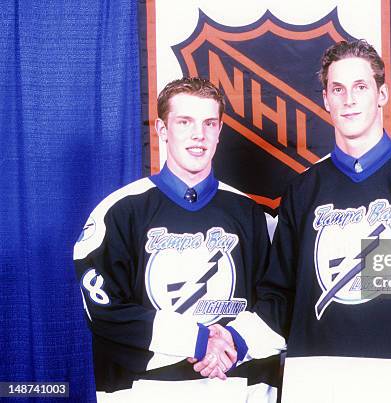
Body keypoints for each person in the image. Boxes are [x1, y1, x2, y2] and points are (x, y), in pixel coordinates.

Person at [194, 40, 391, 402]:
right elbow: (280, 297)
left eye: (360, 87)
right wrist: (233, 339)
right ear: (326, 100)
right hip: (319, 384)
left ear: (381, 94)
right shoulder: (302, 191)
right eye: (338, 89)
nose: (348, 99)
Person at [73, 77, 278, 402]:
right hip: (144, 392)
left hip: (239, 390)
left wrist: (237, 341)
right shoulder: (117, 213)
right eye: (185, 122)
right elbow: (104, 311)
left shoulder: (253, 216)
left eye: (209, 123)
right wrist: (196, 340)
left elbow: (279, 302)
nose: (199, 134)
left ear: (219, 131)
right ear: (162, 129)